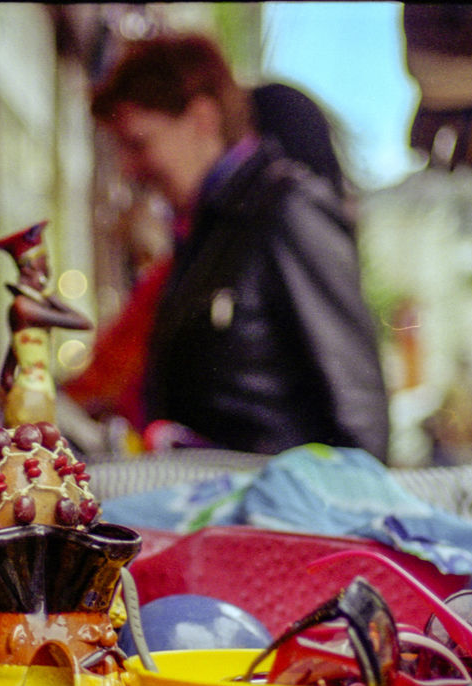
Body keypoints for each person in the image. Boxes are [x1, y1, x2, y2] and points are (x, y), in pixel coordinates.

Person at [89, 34, 390, 461]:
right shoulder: (205, 228)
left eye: (139, 143)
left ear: (202, 119)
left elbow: (358, 405)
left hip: (276, 516)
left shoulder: (286, 207)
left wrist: (347, 516)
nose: (128, 167)